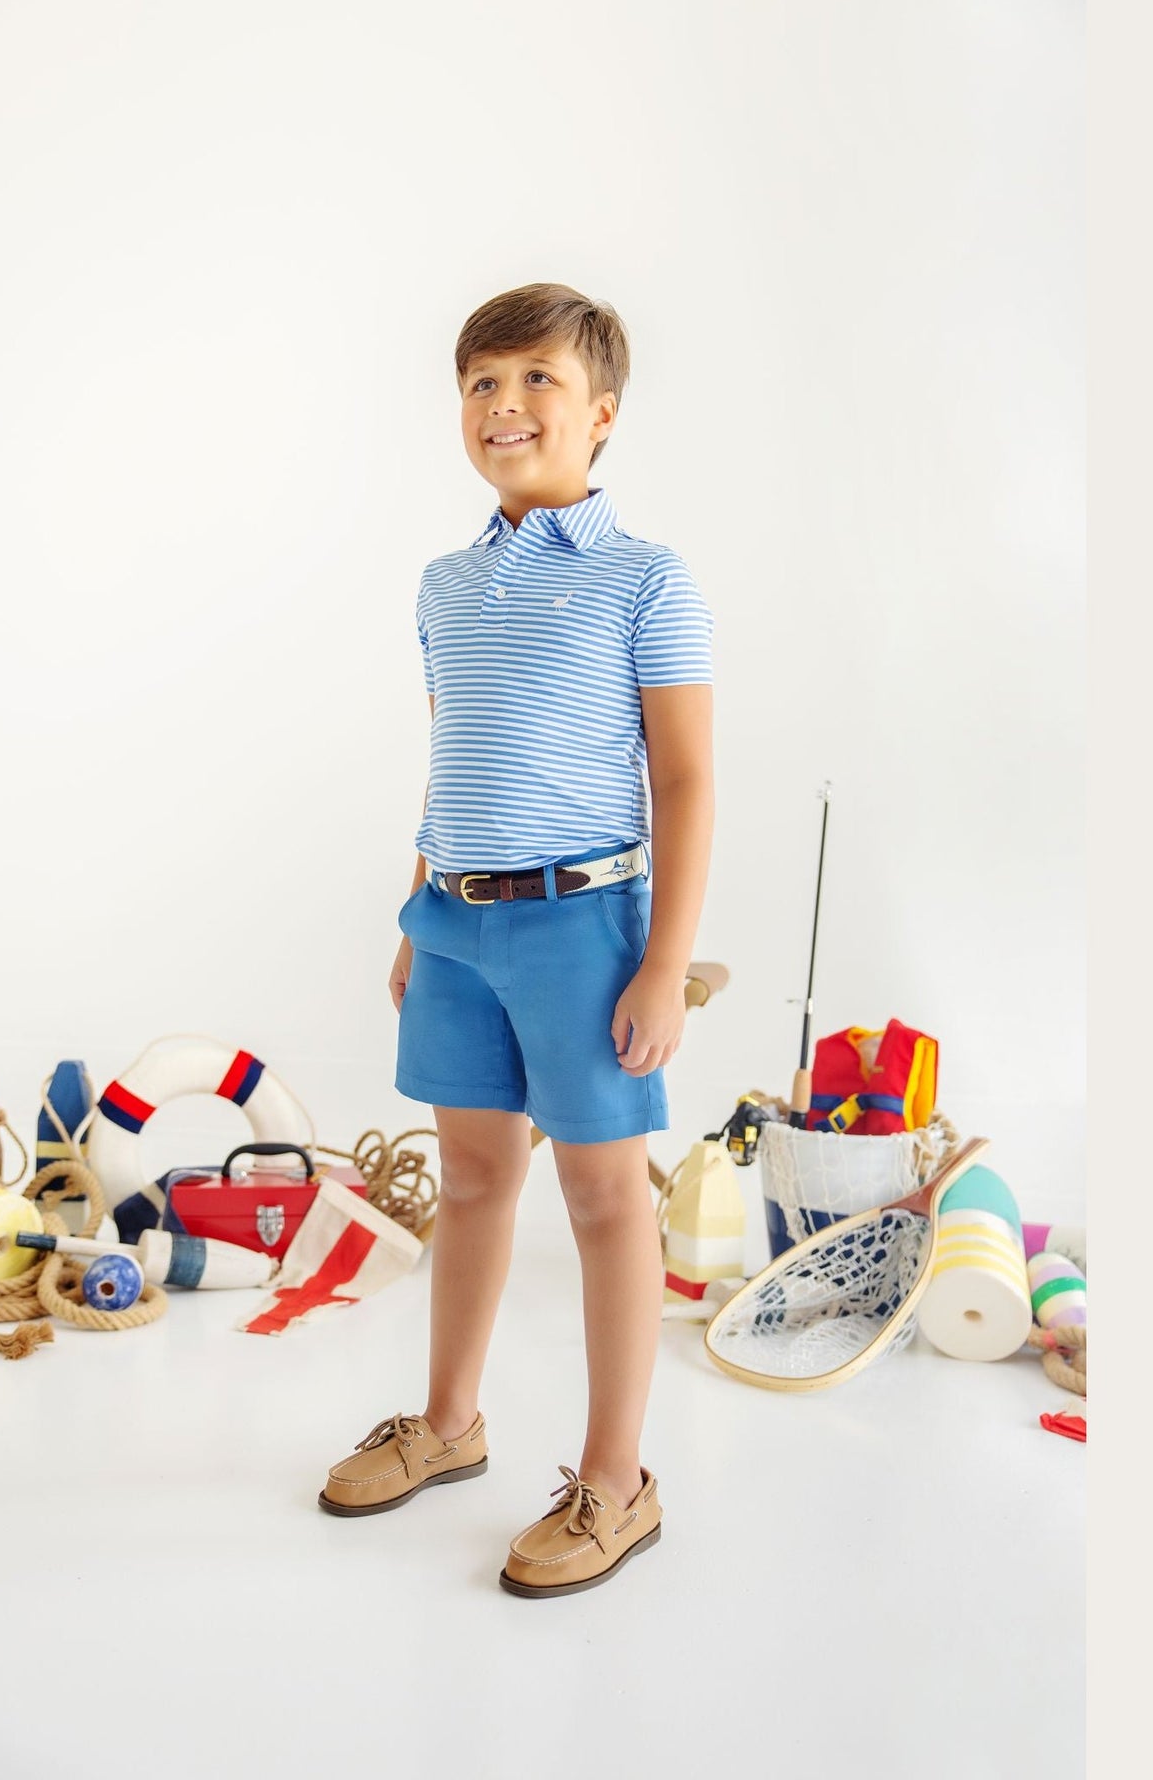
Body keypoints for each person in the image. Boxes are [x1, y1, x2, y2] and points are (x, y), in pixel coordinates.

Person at [318, 283, 715, 1598]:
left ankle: (616, 1482)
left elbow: (685, 779)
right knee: (477, 1177)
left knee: (604, 1198)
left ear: (602, 413)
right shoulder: (445, 585)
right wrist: (416, 910)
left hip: (583, 926)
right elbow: (457, 761)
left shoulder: (645, 578)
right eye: (482, 383)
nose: (504, 405)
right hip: (454, 924)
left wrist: (663, 962)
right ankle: (449, 1423)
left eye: (538, 379)